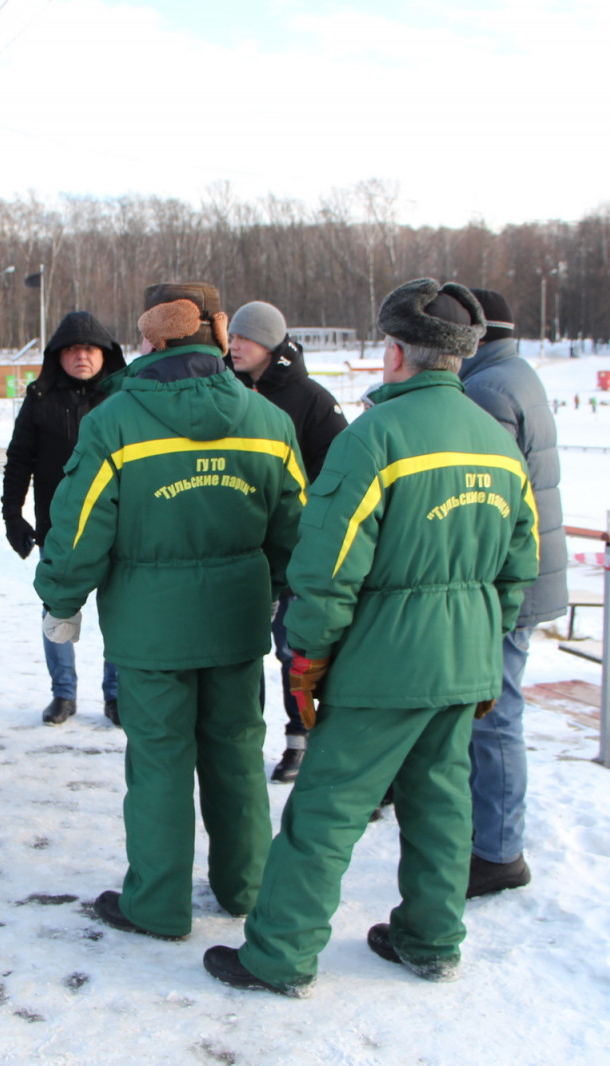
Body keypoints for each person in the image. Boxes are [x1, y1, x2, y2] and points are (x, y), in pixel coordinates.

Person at [204, 278, 537, 995]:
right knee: (442, 804)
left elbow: (326, 570)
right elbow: (520, 563)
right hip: (465, 662)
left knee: (325, 808)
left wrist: (309, 654)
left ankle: (279, 954)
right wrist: (482, 638)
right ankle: (431, 936)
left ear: (394, 353)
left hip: (383, 664)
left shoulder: (374, 439)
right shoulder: (497, 442)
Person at [35, 282, 305, 940]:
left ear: (150, 339)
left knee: (157, 762)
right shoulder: (267, 420)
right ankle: (246, 885)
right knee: (238, 754)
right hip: (237, 623)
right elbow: (298, 528)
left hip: (149, 630)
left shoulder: (114, 423)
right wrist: (266, 584)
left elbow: (77, 530)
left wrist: (61, 601)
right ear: (213, 333)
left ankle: (156, 904)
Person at [459, 288, 566, 898]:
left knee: (493, 716)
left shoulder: (488, 389)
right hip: (529, 573)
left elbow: (489, 498)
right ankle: (492, 837)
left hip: (508, 580)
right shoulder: (514, 373)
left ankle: (498, 851)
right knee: (497, 710)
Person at [226, 300, 349, 782]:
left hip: (293, 553)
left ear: (272, 346)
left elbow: (337, 470)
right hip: (238, 548)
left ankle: (299, 740)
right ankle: (238, 737)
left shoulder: (311, 400)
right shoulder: (224, 390)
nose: (234, 345)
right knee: (237, 650)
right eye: (232, 336)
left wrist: (297, 511)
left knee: (292, 651)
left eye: (246, 339)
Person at [0, 311, 127, 726]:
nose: (82, 356)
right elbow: (19, 459)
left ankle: (116, 693)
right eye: (72, 349)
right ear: (59, 355)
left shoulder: (124, 399)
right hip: (58, 530)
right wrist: (11, 514)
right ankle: (63, 693)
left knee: (120, 612)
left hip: (117, 527)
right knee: (57, 610)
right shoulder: (40, 398)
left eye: (90, 348)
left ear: (105, 354)